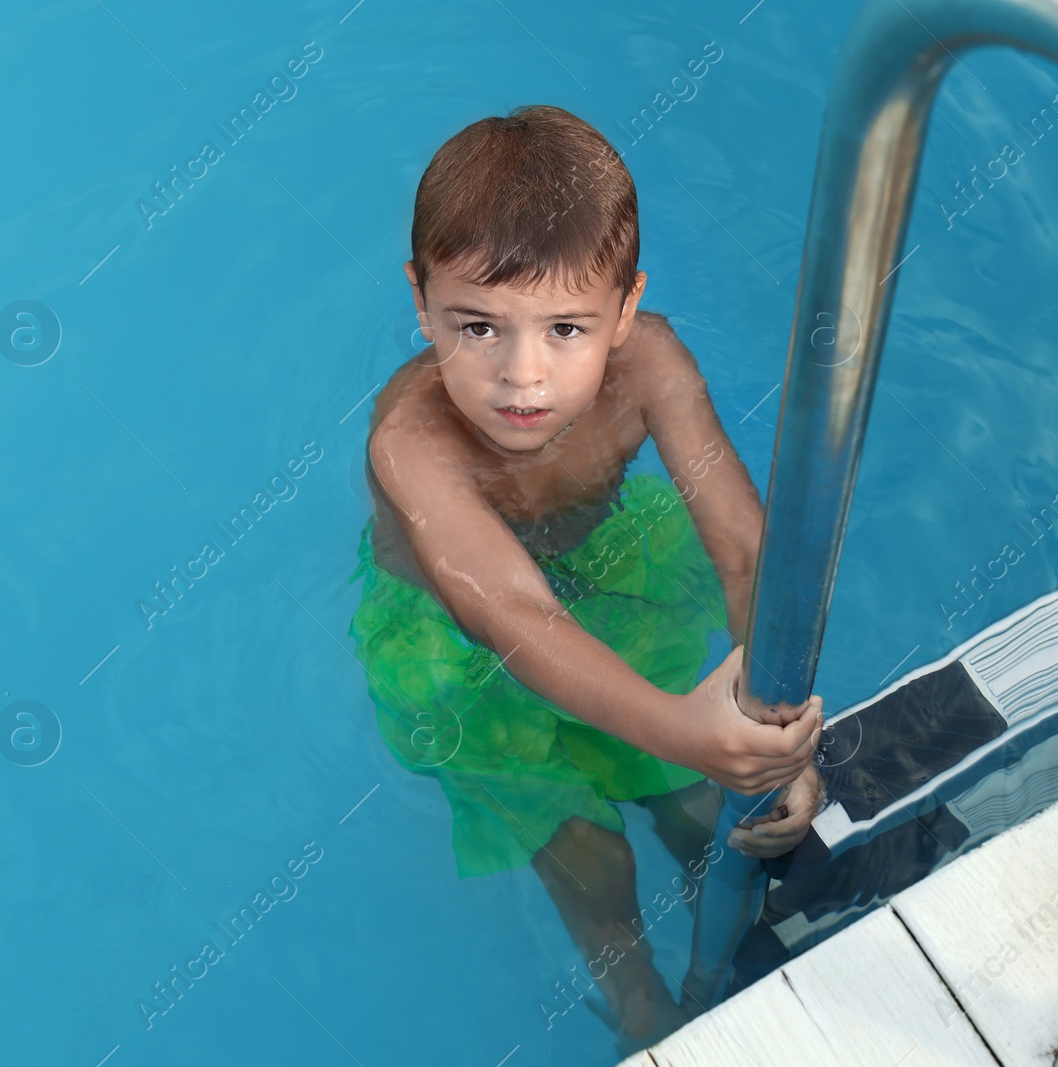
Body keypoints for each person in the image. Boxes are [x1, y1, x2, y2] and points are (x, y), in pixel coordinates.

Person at [348, 104, 824, 1044]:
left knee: (707, 810)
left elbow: (740, 546)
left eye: (567, 328)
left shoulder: (649, 362)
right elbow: (513, 614)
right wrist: (689, 729)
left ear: (628, 306)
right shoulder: (410, 441)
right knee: (588, 854)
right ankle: (636, 992)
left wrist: (780, 744)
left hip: (606, 570)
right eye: (476, 327)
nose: (522, 378)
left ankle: (762, 946)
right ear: (419, 297)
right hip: (453, 635)